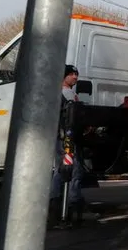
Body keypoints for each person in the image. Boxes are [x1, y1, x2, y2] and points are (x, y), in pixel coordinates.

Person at [49, 65, 85, 227]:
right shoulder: (66, 94)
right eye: (71, 74)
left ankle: (56, 202)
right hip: (67, 139)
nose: (75, 77)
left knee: (61, 170)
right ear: (64, 76)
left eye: (76, 74)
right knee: (73, 170)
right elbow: (70, 117)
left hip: (63, 138)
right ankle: (71, 204)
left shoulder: (65, 93)